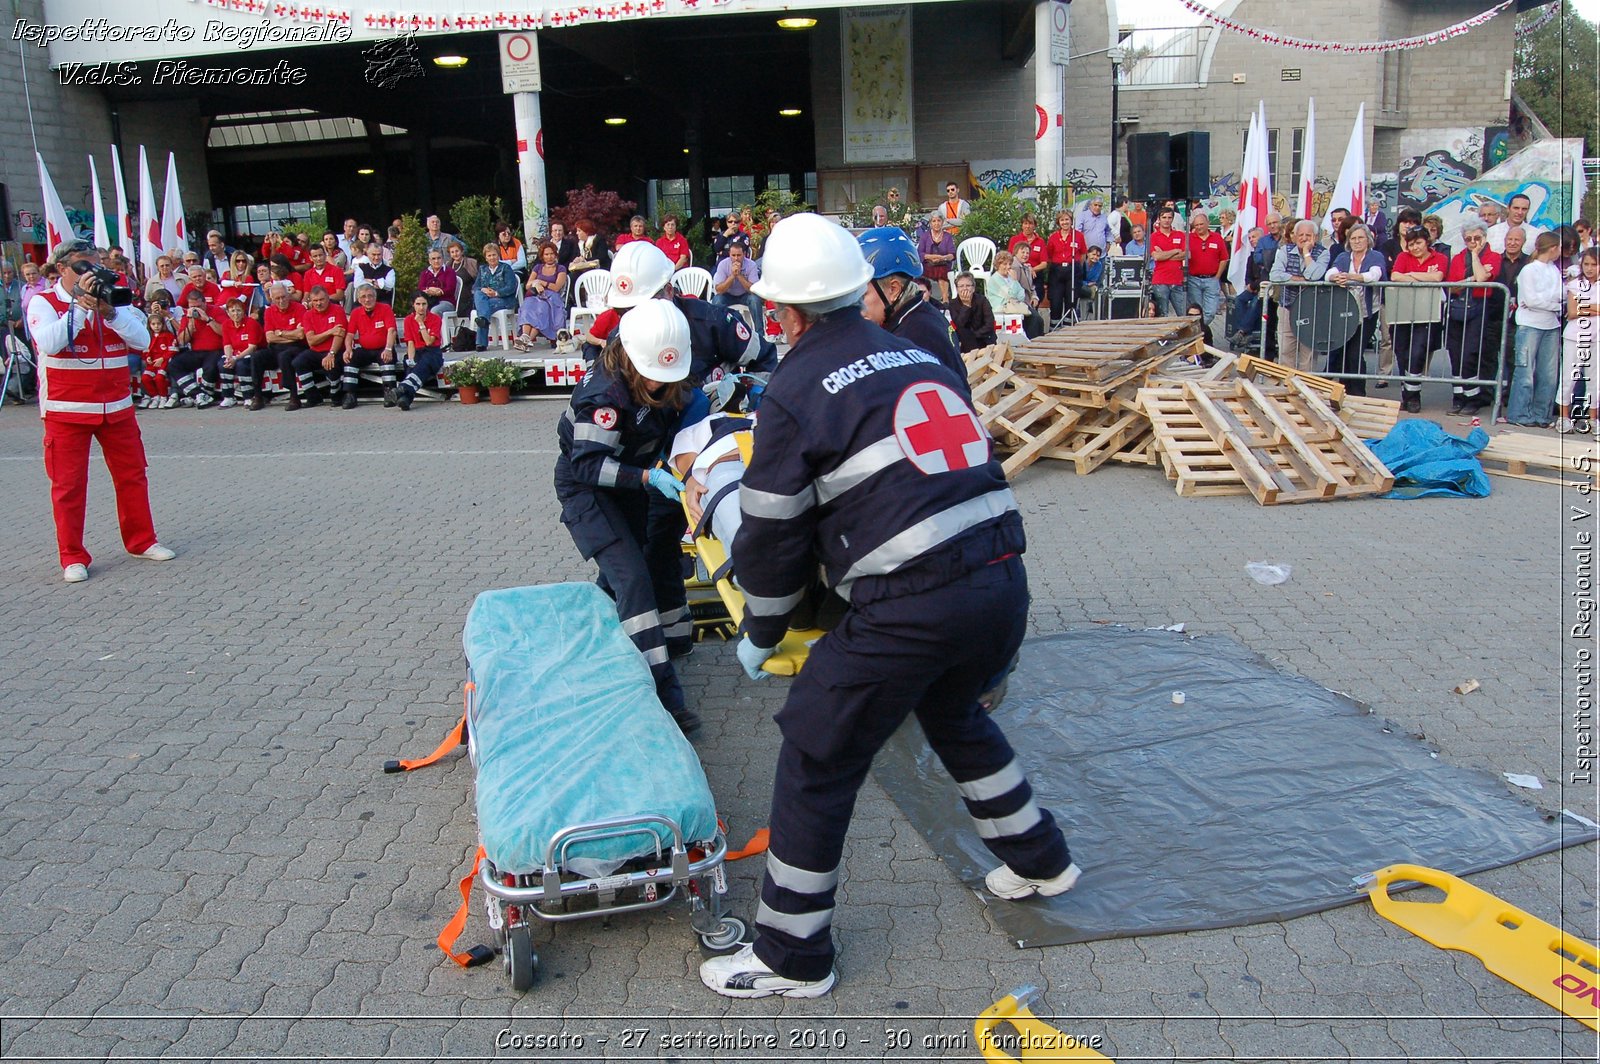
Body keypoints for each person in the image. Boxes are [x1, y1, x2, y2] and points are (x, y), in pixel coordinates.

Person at [700, 213, 1077, 1000]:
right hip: (1002, 583)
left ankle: (792, 956)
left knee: (816, 751)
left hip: (914, 602)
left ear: (783, 311)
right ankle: (1042, 860)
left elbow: (770, 537)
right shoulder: (918, 353)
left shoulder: (796, 388)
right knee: (957, 713)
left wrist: (762, 629)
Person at [554, 298, 702, 736]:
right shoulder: (604, 395)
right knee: (634, 580)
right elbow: (585, 465)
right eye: (656, 376)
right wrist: (647, 478)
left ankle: (592, 651)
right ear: (635, 361)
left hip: (630, 480)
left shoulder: (658, 367)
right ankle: (664, 699)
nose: (663, 385)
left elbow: (679, 411)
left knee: (620, 577)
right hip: (590, 489)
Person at [27, 239, 173, 582]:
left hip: (117, 407)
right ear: (62, 268)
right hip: (67, 410)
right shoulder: (44, 301)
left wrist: (109, 313)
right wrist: (79, 307)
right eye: (83, 265)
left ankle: (141, 541)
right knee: (69, 486)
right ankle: (72, 556)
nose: (92, 272)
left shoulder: (112, 298)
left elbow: (142, 340)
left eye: (96, 264)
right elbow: (48, 343)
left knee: (133, 476)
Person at [857, 226, 964, 386]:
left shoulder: (912, 337)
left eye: (862, 295)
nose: (857, 307)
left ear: (894, 290)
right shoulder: (921, 315)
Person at [1505, 233, 1566, 427]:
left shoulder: (1554, 269)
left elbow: (1561, 294)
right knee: (1525, 371)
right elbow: (1531, 300)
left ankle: (1542, 414)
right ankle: (1519, 413)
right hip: (1530, 325)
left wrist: (1550, 302)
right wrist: (1554, 304)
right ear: (1553, 248)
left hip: (1550, 325)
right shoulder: (1529, 270)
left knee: (1548, 373)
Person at [1442, 221, 1501, 415]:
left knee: (1470, 355)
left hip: (1479, 308)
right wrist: (1471, 280)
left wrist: (1475, 256)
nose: (1473, 242)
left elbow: (1483, 278)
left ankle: (1473, 398)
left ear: (1484, 237)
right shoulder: (1458, 258)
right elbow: (1453, 286)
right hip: (1458, 308)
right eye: (1469, 239)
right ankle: (1458, 397)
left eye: (1477, 238)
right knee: (1456, 354)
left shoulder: (1494, 256)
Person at [1389, 227, 1447, 414]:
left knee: (1417, 353)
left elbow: (1437, 277)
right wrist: (1421, 277)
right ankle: (1407, 393)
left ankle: (1414, 396)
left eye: (1418, 243)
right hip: (1402, 312)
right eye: (1411, 244)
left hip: (1427, 313)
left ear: (1427, 242)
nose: (1414, 247)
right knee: (1402, 353)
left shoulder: (1440, 258)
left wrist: (1410, 275)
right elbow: (1395, 276)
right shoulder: (1403, 257)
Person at [1325, 223, 1387, 397]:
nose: (1357, 241)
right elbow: (1329, 273)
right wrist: (1335, 276)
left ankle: (1358, 393)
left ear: (1368, 239)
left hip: (1368, 311)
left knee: (1355, 352)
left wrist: (1351, 277)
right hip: (1345, 311)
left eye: (1360, 237)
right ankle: (1345, 392)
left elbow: (1374, 275)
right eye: (1353, 238)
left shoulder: (1376, 256)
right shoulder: (1344, 257)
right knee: (1344, 351)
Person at [1268, 220, 1332, 373]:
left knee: (1307, 353)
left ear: (1315, 237)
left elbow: (1315, 276)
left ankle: (1306, 387)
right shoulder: (1285, 250)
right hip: (1287, 306)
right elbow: (1274, 275)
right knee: (1286, 349)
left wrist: (1306, 253)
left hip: (1312, 309)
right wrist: (1301, 280)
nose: (1304, 238)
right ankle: (1286, 386)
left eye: (1308, 235)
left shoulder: (1323, 252)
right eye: (1300, 235)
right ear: (1295, 236)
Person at [1558, 248, 1600, 433]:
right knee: (1569, 377)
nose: (1590, 269)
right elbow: (1572, 312)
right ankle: (1563, 417)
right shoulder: (1575, 284)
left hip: (1596, 337)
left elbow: (1577, 309)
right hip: (1575, 336)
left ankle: (1593, 419)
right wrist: (1596, 308)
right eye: (1586, 264)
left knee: (1595, 381)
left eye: (1594, 265)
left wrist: (1584, 306)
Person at [340, 283, 399, 408]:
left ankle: (390, 393)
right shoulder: (356, 312)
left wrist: (388, 348)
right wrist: (348, 349)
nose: (367, 300)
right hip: (365, 350)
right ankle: (350, 394)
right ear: (359, 299)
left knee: (386, 358)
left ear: (375, 296)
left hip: (383, 348)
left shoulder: (385, 308)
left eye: (370, 296)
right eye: (363, 297)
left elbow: (391, 330)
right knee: (350, 358)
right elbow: (350, 335)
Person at [167, 289, 226, 407]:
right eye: (192, 306)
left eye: (198, 306)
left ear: (204, 303)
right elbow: (182, 341)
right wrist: (190, 323)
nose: (196, 309)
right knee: (174, 364)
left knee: (210, 367)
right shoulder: (187, 316)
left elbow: (224, 332)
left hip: (215, 350)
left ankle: (204, 395)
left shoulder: (216, 311)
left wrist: (208, 319)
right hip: (196, 351)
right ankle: (198, 394)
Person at [257, 282, 309, 411]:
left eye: (283, 297)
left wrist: (280, 332)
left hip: (296, 347)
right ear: (272, 299)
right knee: (256, 357)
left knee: (284, 356)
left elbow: (300, 335)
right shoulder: (269, 312)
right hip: (275, 347)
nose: (281, 301)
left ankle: (294, 397)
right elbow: (269, 337)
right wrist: (291, 334)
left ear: (288, 295)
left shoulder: (299, 308)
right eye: (277, 298)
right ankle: (258, 396)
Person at [301, 285, 348, 406]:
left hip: (335, 350)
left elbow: (339, 335)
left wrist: (331, 353)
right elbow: (311, 340)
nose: (318, 303)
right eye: (315, 301)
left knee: (332, 364)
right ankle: (312, 396)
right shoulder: (308, 315)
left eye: (321, 300)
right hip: (316, 351)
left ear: (328, 298)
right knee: (299, 362)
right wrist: (330, 332)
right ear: (311, 301)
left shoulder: (338, 310)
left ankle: (336, 395)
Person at [516, 241, 568, 349]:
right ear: (542, 256)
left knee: (541, 310)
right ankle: (525, 337)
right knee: (527, 307)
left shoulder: (561, 268)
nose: (549, 257)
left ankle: (528, 340)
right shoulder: (538, 268)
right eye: (546, 254)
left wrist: (542, 282)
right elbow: (528, 285)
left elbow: (557, 287)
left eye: (551, 254)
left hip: (551, 297)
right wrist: (536, 283)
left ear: (555, 254)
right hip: (535, 296)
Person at [216, 297, 266, 408]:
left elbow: (252, 347)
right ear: (228, 313)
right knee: (223, 364)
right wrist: (229, 358)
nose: (236, 314)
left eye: (238, 310)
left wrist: (236, 359)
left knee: (241, 365)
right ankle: (228, 397)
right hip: (236, 354)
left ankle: (248, 397)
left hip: (252, 353)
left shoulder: (251, 323)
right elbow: (227, 345)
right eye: (232, 311)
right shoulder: (226, 325)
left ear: (243, 312)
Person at [397, 294, 444, 411]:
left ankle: (403, 387)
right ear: (413, 305)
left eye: (424, 304)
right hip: (417, 351)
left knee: (424, 363)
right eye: (418, 304)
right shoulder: (408, 320)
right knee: (411, 367)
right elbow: (410, 342)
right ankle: (405, 399)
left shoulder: (435, 319)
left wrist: (421, 324)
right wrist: (411, 361)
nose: (421, 307)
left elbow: (429, 342)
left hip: (432, 352)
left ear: (428, 305)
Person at [1184, 212, 1229, 332]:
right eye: (1196, 225)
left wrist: (1218, 276)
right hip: (1194, 279)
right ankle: (1199, 336)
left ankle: (1201, 330)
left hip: (1212, 279)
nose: (1199, 227)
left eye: (1201, 224)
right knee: (1195, 311)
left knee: (1210, 312)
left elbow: (1224, 258)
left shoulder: (1217, 238)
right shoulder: (1188, 238)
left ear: (1208, 224)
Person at [985, 251, 1044, 338]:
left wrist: (1014, 283)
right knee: (1033, 319)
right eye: (1005, 264)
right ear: (998, 265)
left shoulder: (1010, 277)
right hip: (1002, 307)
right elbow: (1010, 295)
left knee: (1038, 318)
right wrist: (1015, 281)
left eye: (1009, 264)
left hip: (1014, 306)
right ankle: (1031, 342)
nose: (1008, 267)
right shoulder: (995, 279)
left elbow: (1021, 295)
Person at [472, 243, 519, 351]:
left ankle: (481, 343)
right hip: (486, 299)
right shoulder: (483, 269)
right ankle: (483, 320)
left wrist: (496, 293)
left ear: (498, 255)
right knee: (479, 293)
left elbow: (511, 287)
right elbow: (475, 287)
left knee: (483, 309)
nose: (492, 258)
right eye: (489, 256)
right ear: (486, 257)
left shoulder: (506, 268)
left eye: (494, 255)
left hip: (504, 299)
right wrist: (483, 290)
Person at [1046, 209, 1089, 325]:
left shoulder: (1078, 236)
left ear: (1071, 221)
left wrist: (1075, 266)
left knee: (1071, 298)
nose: (1065, 222)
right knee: (1056, 300)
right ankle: (1054, 326)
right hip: (1057, 270)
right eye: (1062, 220)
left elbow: (1083, 254)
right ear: (1058, 222)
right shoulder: (1053, 237)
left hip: (1073, 270)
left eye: (1067, 219)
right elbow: (1049, 255)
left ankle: (1068, 325)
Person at [1147, 206, 1186, 318]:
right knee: (1162, 314)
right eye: (1164, 217)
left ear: (1173, 219)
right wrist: (1175, 251)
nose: (1166, 220)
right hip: (1160, 280)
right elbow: (1157, 257)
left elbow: (1187, 255)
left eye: (1169, 217)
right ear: (1159, 219)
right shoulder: (1153, 237)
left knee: (1182, 314)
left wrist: (1164, 254)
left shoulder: (1180, 235)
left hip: (1177, 280)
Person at [712, 242, 763, 326]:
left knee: (755, 300)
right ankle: (718, 331)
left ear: (744, 254)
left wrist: (739, 275)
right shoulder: (723, 265)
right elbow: (719, 290)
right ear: (729, 254)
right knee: (717, 300)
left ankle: (760, 334)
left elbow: (754, 290)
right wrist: (732, 276)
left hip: (745, 295)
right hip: (727, 295)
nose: (736, 258)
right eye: (733, 255)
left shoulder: (751, 265)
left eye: (739, 255)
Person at [949, 271, 997, 352]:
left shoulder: (982, 300)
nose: (965, 288)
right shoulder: (953, 304)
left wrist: (975, 335)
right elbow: (959, 324)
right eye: (961, 286)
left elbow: (989, 323)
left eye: (968, 285)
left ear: (973, 288)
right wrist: (966, 305)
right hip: (965, 342)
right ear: (957, 289)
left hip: (984, 338)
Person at [1008, 213, 1048, 306]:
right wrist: (1025, 268)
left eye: (1030, 224)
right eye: (1025, 223)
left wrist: (1032, 269)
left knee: (1037, 296)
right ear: (1022, 225)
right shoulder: (1015, 239)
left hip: (1035, 274)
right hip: (1018, 273)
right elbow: (1010, 259)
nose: (1027, 226)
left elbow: (1044, 263)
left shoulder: (1040, 241)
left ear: (1034, 225)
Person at [916, 214, 957, 303]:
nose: (936, 223)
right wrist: (933, 257)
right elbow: (920, 253)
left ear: (942, 222)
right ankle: (924, 300)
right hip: (927, 264)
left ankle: (945, 300)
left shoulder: (947, 236)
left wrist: (943, 258)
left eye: (939, 221)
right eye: (934, 221)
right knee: (919, 274)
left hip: (943, 264)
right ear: (930, 223)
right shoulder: (925, 236)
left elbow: (952, 254)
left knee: (941, 271)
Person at [352, 241, 396, 308]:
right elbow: (357, 284)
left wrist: (369, 281)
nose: (376, 257)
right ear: (368, 254)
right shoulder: (361, 268)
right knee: (355, 308)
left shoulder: (389, 270)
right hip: (364, 300)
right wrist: (380, 284)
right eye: (374, 254)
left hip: (382, 300)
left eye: (379, 254)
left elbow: (389, 286)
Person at [417, 247, 459, 315]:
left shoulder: (449, 272)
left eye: (439, 258)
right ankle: (421, 326)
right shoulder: (425, 273)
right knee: (418, 308)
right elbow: (420, 287)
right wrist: (429, 290)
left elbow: (450, 289)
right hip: (428, 300)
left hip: (446, 301)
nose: (436, 261)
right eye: (433, 259)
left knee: (434, 311)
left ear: (442, 259)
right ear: (429, 261)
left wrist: (438, 292)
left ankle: (434, 326)